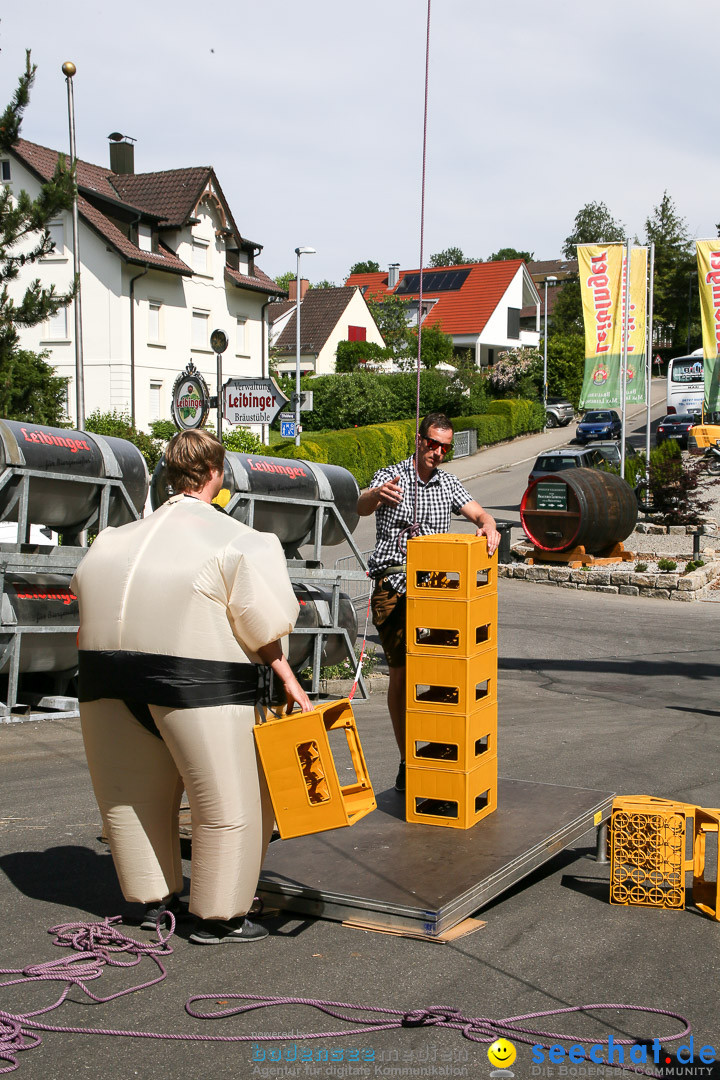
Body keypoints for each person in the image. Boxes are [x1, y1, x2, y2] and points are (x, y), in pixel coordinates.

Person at [71, 429, 311, 945]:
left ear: (167, 476)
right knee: (230, 806)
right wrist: (289, 680)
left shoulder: (112, 540)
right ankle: (219, 916)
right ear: (216, 476)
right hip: (198, 686)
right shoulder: (239, 540)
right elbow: (263, 625)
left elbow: (83, 602)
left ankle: (150, 903)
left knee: (130, 799)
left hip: (104, 682)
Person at [357, 412, 500, 793]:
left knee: (443, 670)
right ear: (418, 440)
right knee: (402, 673)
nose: (437, 452)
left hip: (438, 589)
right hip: (394, 584)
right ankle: (408, 759)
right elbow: (361, 505)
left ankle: (438, 748)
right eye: (432, 444)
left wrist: (488, 524)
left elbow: (477, 511)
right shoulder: (392, 476)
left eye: (444, 447)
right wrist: (375, 494)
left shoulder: (447, 483)